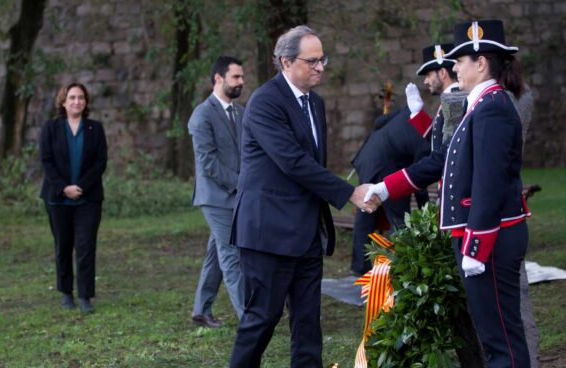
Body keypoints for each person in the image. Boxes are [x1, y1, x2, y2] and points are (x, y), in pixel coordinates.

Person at [365, 20, 532, 367]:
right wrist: (384, 187)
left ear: (481, 63)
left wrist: (476, 246)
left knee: (501, 338)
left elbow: (489, 183)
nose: (453, 67)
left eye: (459, 61)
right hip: (483, 237)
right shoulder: (481, 105)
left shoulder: (493, 108)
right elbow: (442, 160)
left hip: (490, 239)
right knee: (494, 336)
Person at [228, 25, 376, 368]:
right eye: (312, 61)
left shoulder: (315, 103)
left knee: (309, 322)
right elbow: (293, 162)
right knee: (262, 319)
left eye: (322, 59)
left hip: (307, 231)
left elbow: (311, 163)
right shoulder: (266, 102)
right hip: (268, 233)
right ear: (285, 62)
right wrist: (349, 192)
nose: (320, 67)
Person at [349, 43, 459, 276]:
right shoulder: (449, 101)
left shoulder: (456, 99)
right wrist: (418, 116)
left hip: (384, 165)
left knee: (392, 215)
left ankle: (403, 264)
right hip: (382, 164)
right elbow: (440, 147)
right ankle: (384, 266)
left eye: (429, 74)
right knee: (376, 214)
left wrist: (424, 209)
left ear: (442, 72)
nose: (426, 81)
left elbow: (440, 154)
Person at [187, 56, 246, 328]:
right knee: (231, 253)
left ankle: (201, 308)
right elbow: (208, 163)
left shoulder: (241, 112)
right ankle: (249, 318)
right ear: (218, 79)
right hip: (214, 198)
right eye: (236, 77)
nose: (241, 82)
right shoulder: (201, 115)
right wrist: (239, 183)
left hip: (236, 196)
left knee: (217, 251)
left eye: (242, 77)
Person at [39, 82, 107, 314]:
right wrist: (64, 188)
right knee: (63, 246)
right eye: (72, 98)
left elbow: (101, 162)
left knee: (86, 246)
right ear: (63, 102)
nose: (76, 101)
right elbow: (46, 161)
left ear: (86, 102)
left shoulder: (95, 129)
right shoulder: (50, 128)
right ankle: (66, 293)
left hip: (88, 199)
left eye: (80, 97)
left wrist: (81, 187)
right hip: (58, 199)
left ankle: (85, 295)